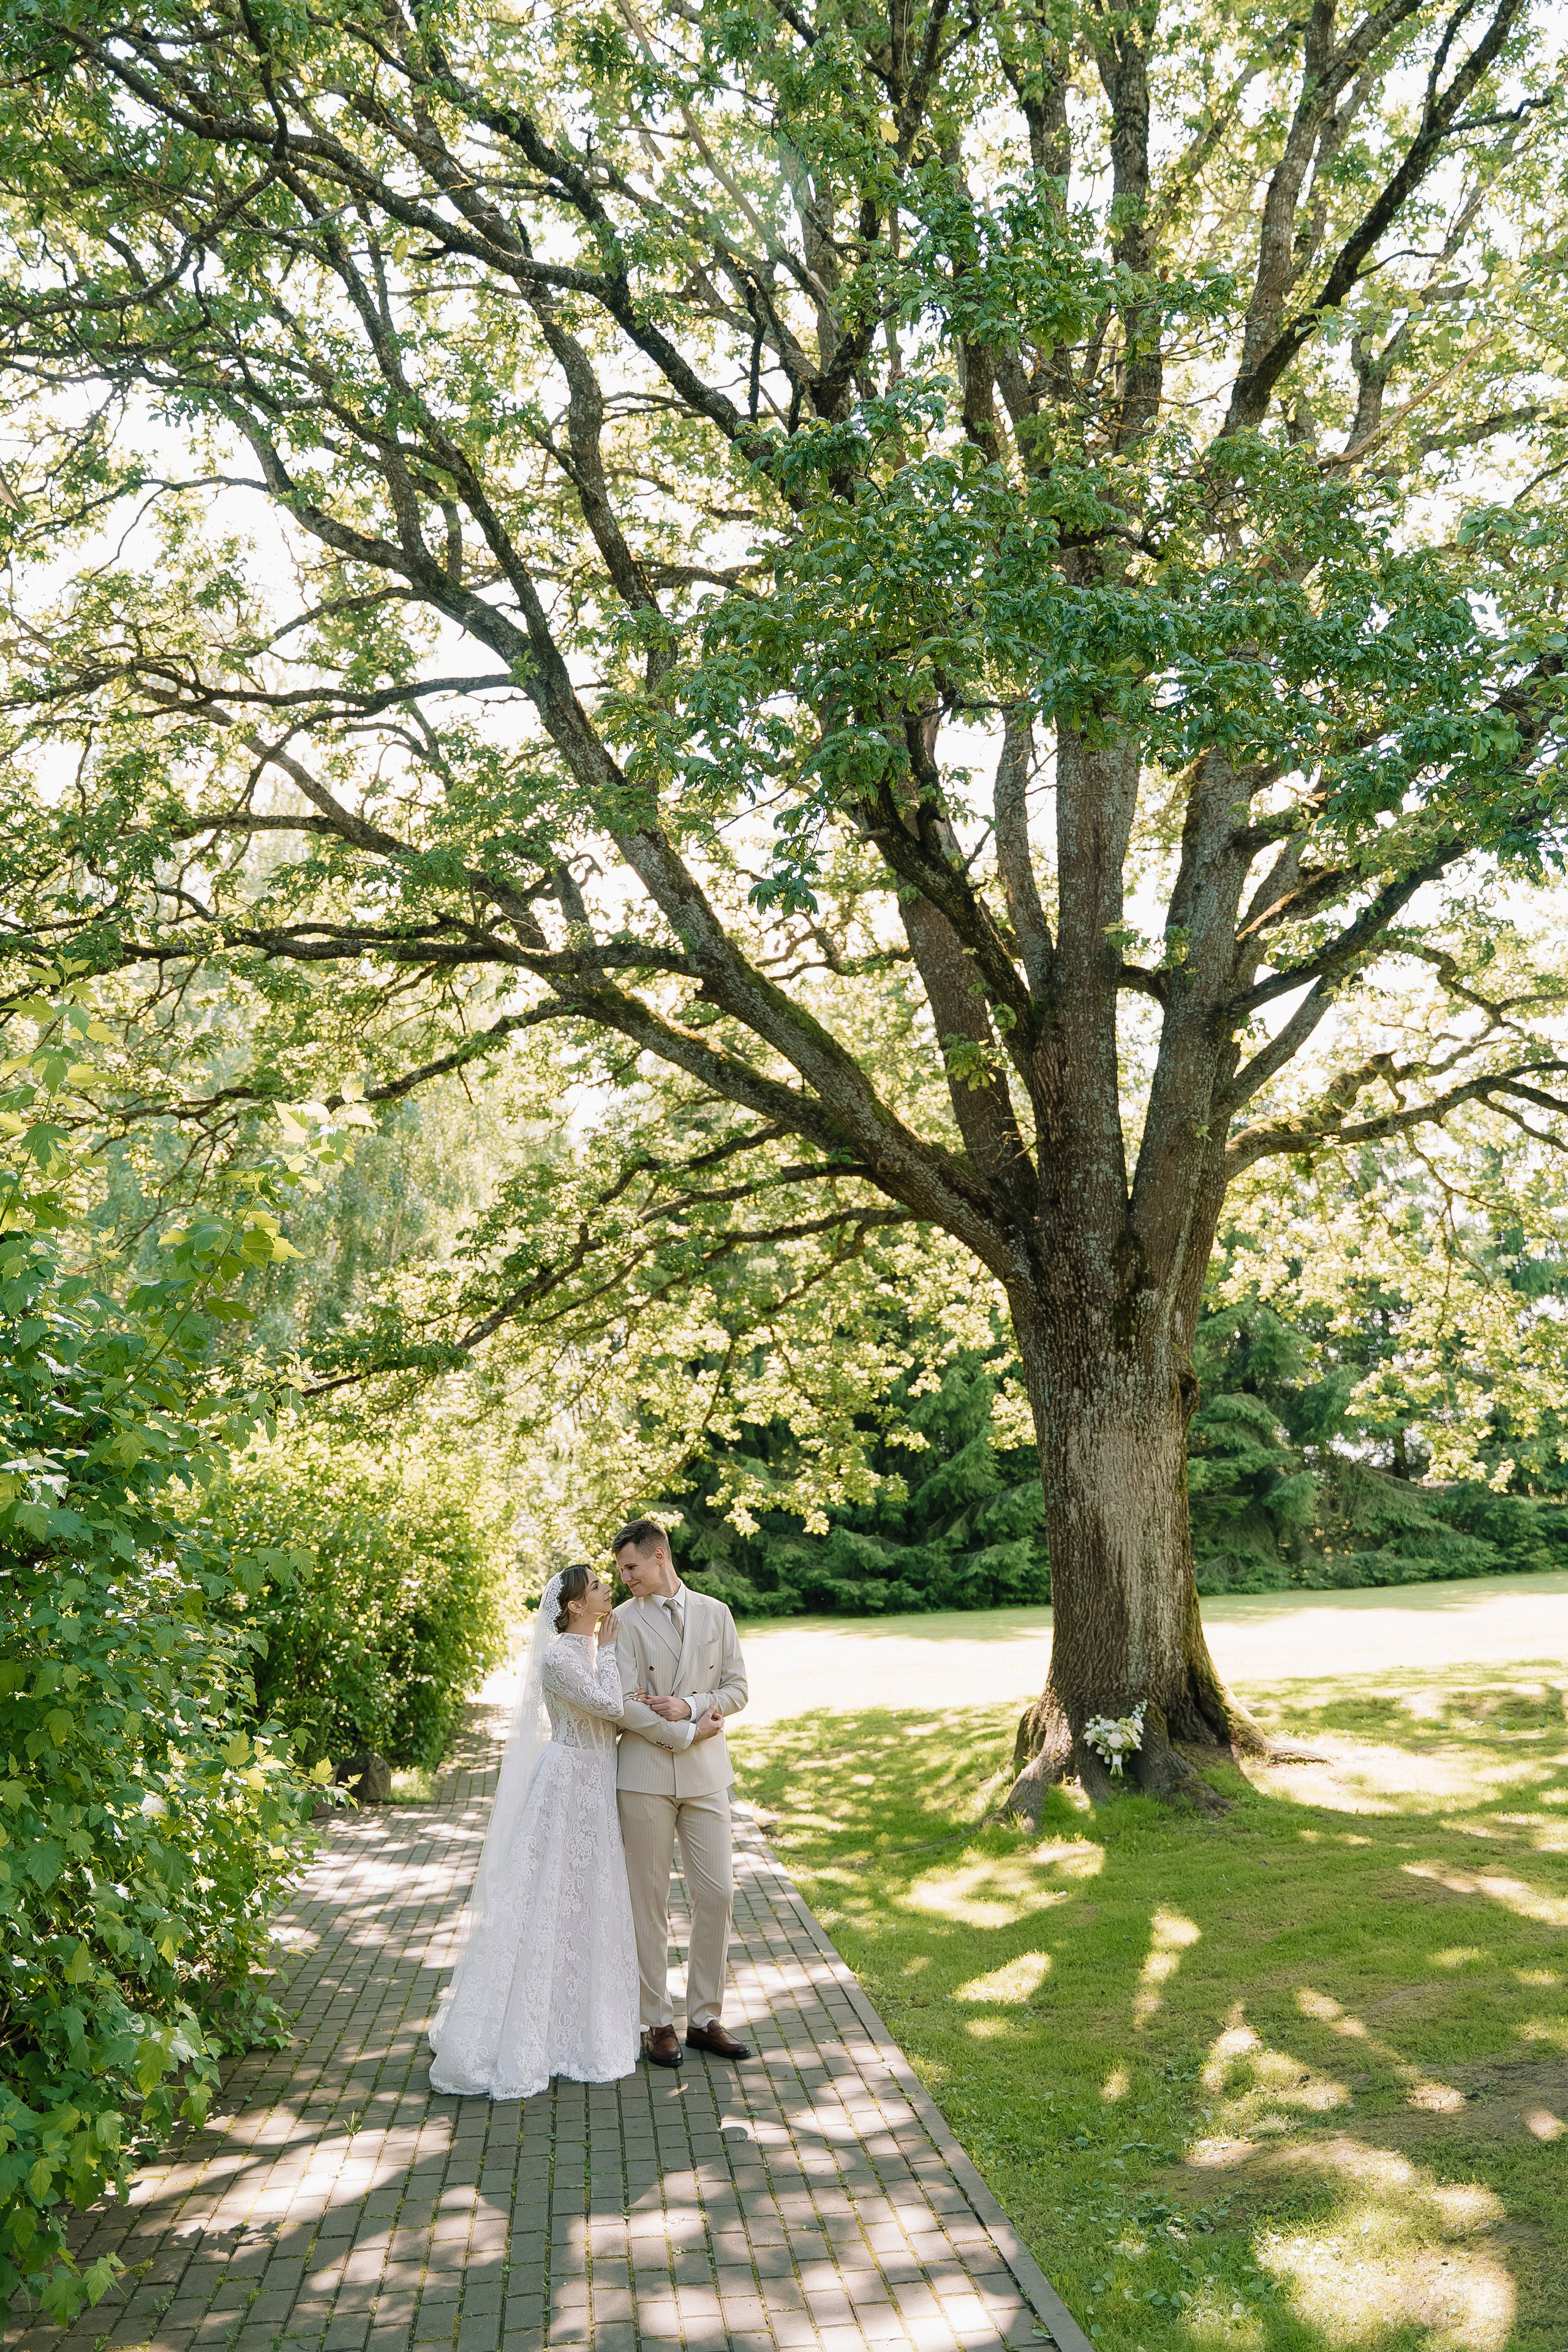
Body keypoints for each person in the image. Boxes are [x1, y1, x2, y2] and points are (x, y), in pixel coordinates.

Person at [428, 1562, 719, 2099]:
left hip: (596, 1781)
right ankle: (525, 2026)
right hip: (567, 1784)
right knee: (549, 1897)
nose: (610, 1588)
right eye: (598, 1587)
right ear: (575, 1608)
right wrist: (609, 1654)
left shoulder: (587, 1649)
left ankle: (581, 2018)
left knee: (588, 1901)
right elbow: (611, 1706)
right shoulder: (562, 1654)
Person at [609, 1517, 750, 2068]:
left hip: (707, 1776)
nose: (624, 1578)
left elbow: (738, 1688)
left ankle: (706, 2017)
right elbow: (622, 1703)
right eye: (621, 1570)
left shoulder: (717, 1613)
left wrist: (689, 1705)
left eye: (631, 1567)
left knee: (717, 1894)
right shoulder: (620, 1623)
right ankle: (657, 2021)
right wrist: (687, 1729)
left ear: (660, 1555)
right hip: (643, 1776)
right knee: (649, 1902)